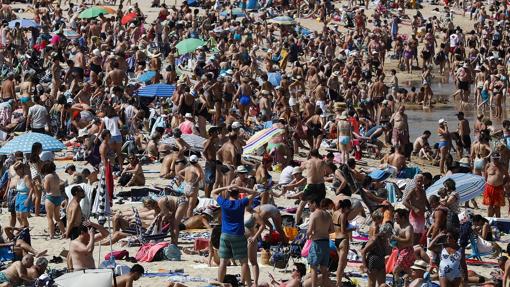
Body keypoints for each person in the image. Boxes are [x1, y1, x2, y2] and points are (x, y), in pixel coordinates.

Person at [212, 184, 258, 286]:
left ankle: (220, 283)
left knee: (223, 262)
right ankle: (246, 283)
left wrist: (226, 187)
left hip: (225, 234)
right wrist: (241, 188)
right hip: (238, 234)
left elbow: (213, 192)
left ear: (229, 193)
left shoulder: (224, 203)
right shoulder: (241, 203)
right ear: (238, 194)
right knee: (244, 262)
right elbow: (255, 193)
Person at [307, 199, 334, 287]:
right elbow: (332, 230)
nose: (309, 206)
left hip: (317, 243)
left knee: (313, 268)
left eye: (309, 204)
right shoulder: (328, 215)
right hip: (326, 243)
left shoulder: (314, 214)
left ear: (315, 203)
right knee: (324, 269)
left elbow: (309, 230)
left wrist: (310, 236)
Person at [333, 199, 355, 286]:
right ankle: (338, 283)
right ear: (346, 207)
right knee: (341, 265)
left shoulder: (335, 213)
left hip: (336, 239)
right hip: (343, 240)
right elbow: (343, 230)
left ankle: (340, 279)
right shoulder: (343, 215)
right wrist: (353, 228)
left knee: (343, 262)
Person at [41, 161, 65, 239]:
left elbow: (47, 190)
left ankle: (51, 235)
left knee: (49, 217)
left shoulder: (47, 177)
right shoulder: (56, 175)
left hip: (50, 198)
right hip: (58, 197)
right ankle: (64, 233)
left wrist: (41, 184)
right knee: (57, 218)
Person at [392, 207, 415, 285]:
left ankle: (397, 284)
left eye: (397, 218)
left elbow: (408, 240)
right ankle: (415, 280)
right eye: (394, 218)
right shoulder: (396, 224)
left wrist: (396, 238)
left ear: (403, 218)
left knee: (395, 270)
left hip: (407, 251)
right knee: (408, 270)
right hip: (400, 250)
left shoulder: (408, 227)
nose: (395, 220)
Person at [12, 162, 34, 228]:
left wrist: (28, 199)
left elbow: (31, 189)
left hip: (25, 196)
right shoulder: (19, 177)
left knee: (23, 215)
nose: (16, 171)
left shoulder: (26, 177)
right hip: (19, 196)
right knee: (18, 215)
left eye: (17, 169)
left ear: (21, 169)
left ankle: (26, 228)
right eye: (15, 170)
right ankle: (22, 226)